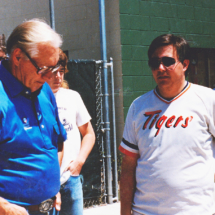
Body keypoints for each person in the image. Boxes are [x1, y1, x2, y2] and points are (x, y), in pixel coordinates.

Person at [119, 34, 215, 215]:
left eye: (168, 61)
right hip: (145, 211)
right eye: (155, 63)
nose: (160, 68)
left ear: (185, 64)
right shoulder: (138, 107)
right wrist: (124, 212)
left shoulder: (207, 99)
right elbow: (128, 166)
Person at [0, 19, 67, 215]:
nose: (49, 78)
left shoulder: (44, 91)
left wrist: (53, 187)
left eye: (53, 69)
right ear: (18, 56)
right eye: (43, 69)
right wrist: (4, 207)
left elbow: (57, 144)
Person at [47, 50, 95, 215]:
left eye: (61, 72)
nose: (58, 77)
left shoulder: (72, 97)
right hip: (45, 184)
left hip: (70, 180)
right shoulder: (33, 99)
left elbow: (89, 134)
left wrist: (79, 162)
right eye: (54, 72)